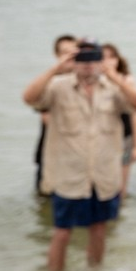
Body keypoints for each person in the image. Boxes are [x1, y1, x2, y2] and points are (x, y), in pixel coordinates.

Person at [22, 38, 136, 271]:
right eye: (82, 59)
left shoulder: (114, 89)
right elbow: (29, 97)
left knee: (99, 228)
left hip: (103, 176)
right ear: (73, 61)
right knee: (62, 232)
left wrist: (114, 76)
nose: (88, 65)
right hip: (69, 176)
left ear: (101, 61)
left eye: (94, 59)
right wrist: (55, 69)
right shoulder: (58, 87)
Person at [34, 34, 77, 195]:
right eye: (64, 52)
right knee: (46, 198)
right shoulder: (50, 82)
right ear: (57, 55)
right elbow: (46, 117)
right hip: (50, 153)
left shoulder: (85, 81)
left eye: (73, 52)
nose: (69, 56)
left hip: (75, 158)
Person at [102, 43, 136, 197]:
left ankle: (119, 213)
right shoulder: (94, 82)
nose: (108, 61)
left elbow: (135, 115)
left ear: (118, 60)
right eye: (103, 57)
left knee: (121, 185)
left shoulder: (127, 81)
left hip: (125, 138)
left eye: (112, 57)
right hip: (102, 138)